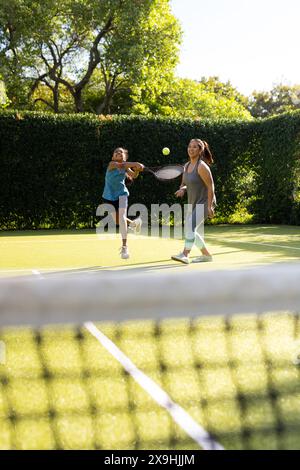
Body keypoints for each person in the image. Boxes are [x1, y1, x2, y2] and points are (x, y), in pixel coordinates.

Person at [171, 138, 216, 264]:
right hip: (193, 202)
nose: (191, 149)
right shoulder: (186, 166)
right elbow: (184, 184)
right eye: (189, 146)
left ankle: (185, 254)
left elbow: (210, 186)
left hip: (205, 201)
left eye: (195, 147)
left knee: (190, 226)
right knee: (191, 229)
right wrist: (183, 190)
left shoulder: (201, 166)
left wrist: (210, 205)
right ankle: (206, 255)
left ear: (200, 150)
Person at [102, 147, 144, 259]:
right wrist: (136, 163)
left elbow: (133, 176)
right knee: (117, 220)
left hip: (122, 194)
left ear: (124, 157)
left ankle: (125, 247)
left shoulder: (125, 167)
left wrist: (137, 170)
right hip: (108, 196)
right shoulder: (112, 164)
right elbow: (122, 165)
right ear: (113, 157)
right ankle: (134, 224)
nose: (118, 153)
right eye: (116, 152)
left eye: (121, 152)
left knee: (121, 218)